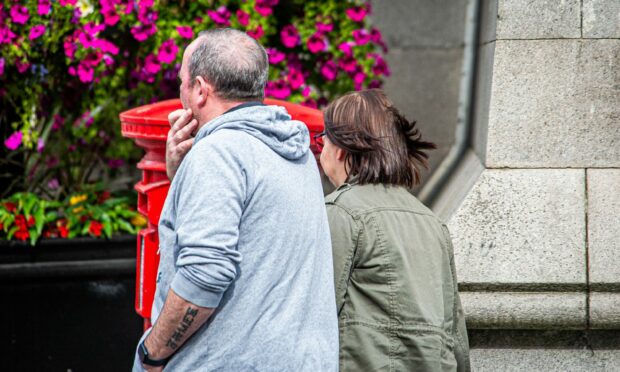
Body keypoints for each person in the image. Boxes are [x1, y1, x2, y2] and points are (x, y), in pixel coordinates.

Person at [133, 28, 338, 371]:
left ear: (200, 89)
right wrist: (181, 173)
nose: (180, 92)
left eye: (182, 81)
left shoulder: (218, 154)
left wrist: (151, 353)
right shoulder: (295, 152)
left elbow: (205, 273)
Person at [317, 89, 471, 371]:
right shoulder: (431, 222)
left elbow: (315, 317)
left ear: (340, 149)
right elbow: (455, 331)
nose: (320, 152)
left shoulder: (340, 213)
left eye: (322, 141)